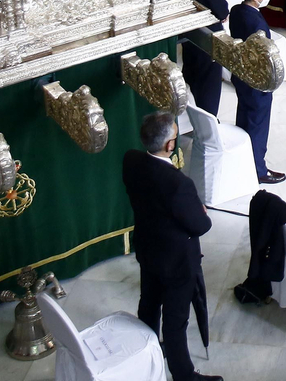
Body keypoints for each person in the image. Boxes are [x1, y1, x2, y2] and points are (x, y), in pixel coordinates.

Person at [121, 111, 221, 381]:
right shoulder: (179, 184)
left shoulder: (130, 161)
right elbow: (201, 226)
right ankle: (184, 376)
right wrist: (199, 211)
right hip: (177, 263)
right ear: (169, 145)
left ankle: (145, 356)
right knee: (175, 322)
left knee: (149, 305)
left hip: (148, 250)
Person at [230, 0, 284, 185]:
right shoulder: (256, 25)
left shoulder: (236, 10)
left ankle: (244, 161)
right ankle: (258, 170)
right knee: (258, 127)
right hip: (256, 83)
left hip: (242, 77)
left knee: (245, 120)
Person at [179, 0, 227, 116]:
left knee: (192, 71)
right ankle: (208, 120)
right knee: (209, 82)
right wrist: (224, 13)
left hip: (189, 32)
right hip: (208, 35)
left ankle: (192, 110)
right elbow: (221, 9)